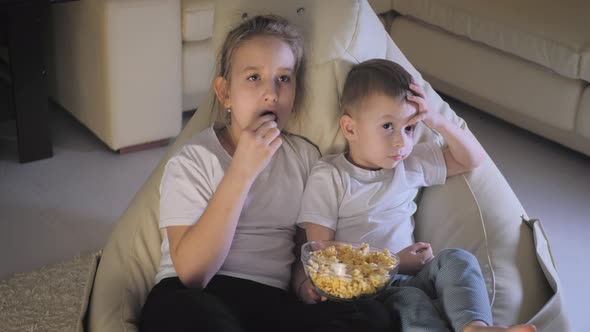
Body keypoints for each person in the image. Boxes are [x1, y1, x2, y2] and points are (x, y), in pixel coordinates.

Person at [139, 15, 392, 332]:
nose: (272, 93)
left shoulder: (304, 157)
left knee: (372, 317)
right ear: (225, 93)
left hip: (269, 301)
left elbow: (304, 245)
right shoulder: (194, 159)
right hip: (196, 296)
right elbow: (193, 273)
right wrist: (242, 172)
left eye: (284, 78)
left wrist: (304, 284)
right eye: (254, 78)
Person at [297, 59, 536, 332]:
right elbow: (320, 251)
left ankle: (475, 327)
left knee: (458, 259)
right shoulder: (330, 175)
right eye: (388, 126)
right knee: (412, 301)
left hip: (415, 274)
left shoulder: (411, 163)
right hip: (364, 288)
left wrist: (436, 120)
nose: (402, 141)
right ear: (350, 128)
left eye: (409, 128)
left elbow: (472, 159)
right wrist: (394, 261)